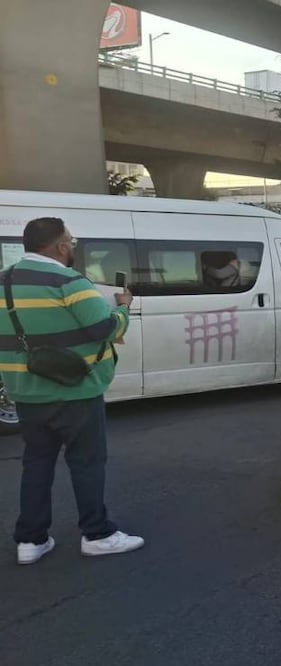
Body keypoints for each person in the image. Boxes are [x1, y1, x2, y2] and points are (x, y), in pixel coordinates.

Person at [5, 217, 144, 564]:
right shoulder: (68, 281)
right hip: (76, 392)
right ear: (60, 246)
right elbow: (105, 328)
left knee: (36, 464)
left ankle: (30, 541)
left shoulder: (4, 282)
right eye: (71, 242)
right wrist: (124, 306)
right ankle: (97, 534)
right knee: (86, 463)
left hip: (26, 393)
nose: (72, 247)